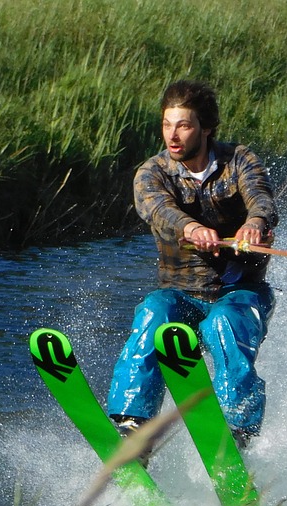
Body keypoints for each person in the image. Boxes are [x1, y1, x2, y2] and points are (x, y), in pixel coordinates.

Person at [107, 79, 278, 447]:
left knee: (224, 324)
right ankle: (133, 425)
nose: (173, 135)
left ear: (206, 128)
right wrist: (191, 227)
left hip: (240, 295)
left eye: (183, 125)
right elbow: (159, 211)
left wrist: (254, 224)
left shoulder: (240, 161)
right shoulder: (152, 173)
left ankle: (238, 430)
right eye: (167, 124)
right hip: (180, 295)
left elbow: (261, 199)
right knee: (153, 312)